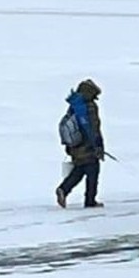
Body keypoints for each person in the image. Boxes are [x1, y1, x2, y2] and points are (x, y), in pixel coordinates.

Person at [57, 79, 105, 209]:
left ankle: (63, 189)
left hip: (75, 145)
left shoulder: (75, 105)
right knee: (93, 171)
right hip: (88, 146)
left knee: (80, 169)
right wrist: (98, 145)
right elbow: (94, 128)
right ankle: (90, 200)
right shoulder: (90, 106)